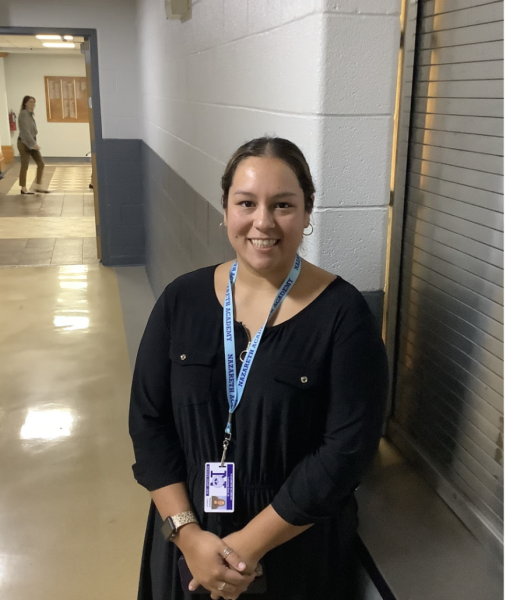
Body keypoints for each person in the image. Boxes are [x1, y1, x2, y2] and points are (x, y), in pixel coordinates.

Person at [129, 137, 389, 600]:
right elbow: (149, 422)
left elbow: (345, 453)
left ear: (308, 213)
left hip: (294, 548)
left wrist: (248, 546)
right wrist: (188, 536)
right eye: (246, 203)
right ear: (225, 209)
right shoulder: (180, 300)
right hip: (189, 540)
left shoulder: (343, 317)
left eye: (283, 205)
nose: (262, 222)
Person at [17, 96, 49, 195]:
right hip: (24, 143)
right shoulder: (23, 114)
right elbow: (26, 131)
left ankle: (38, 186)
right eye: (30, 102)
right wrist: (33, 143)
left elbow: (32, 130)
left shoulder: (30, 114)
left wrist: (33, 142)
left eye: (34, 102)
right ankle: (23, 188)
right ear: (25, 103)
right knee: (25, 165)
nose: (33, 104)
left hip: (31, 143)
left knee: (41, 163)